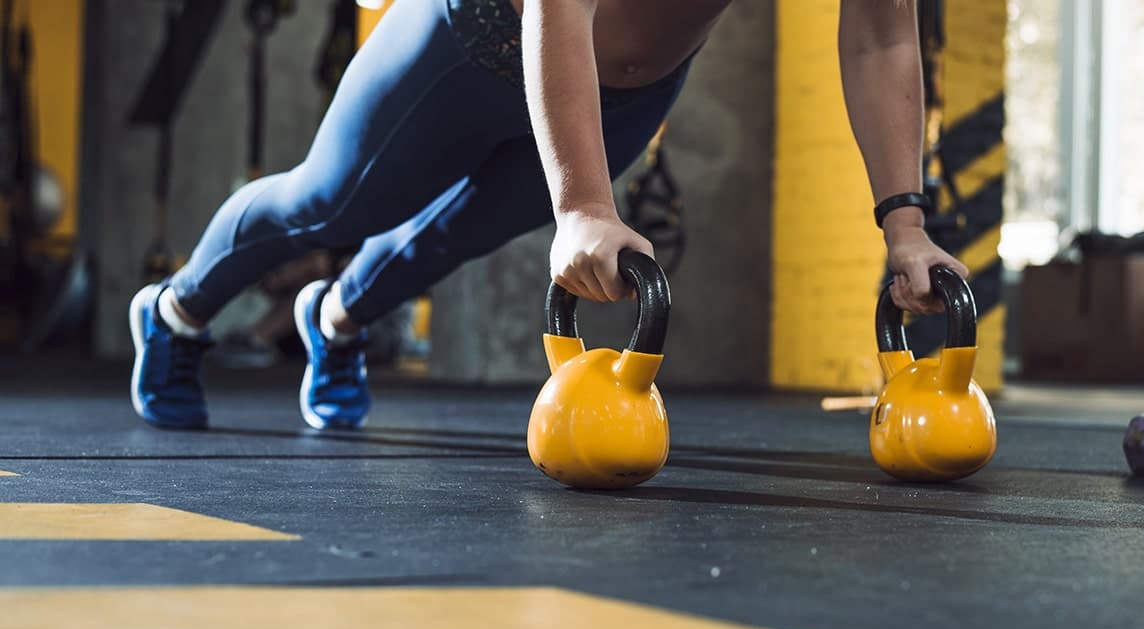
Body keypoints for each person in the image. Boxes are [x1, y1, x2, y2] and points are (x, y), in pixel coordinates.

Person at [129, 0, 969, 431]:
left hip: (631, 90)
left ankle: (336, 319)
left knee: (466, 232)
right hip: (476, 39)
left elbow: (881, 35)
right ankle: (174, 313)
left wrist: (904, 222)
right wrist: (583, 204)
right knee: (331, 200)